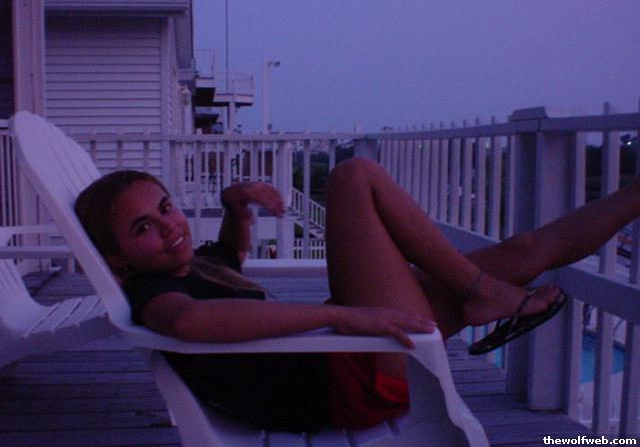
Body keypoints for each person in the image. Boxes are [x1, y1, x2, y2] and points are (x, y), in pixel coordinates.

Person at [75, 156, 635, 432]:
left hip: (345, 359)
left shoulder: (193, 267)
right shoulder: (154, 292)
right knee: (353, 177)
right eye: (143, 228)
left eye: (166, 208)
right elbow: (189, 323)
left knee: (523, 251)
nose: (168, 227)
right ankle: (480, 292)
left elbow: (232, 250)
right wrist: (348, 316)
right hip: (349, 378)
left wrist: (235, 200)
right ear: (118, 257)